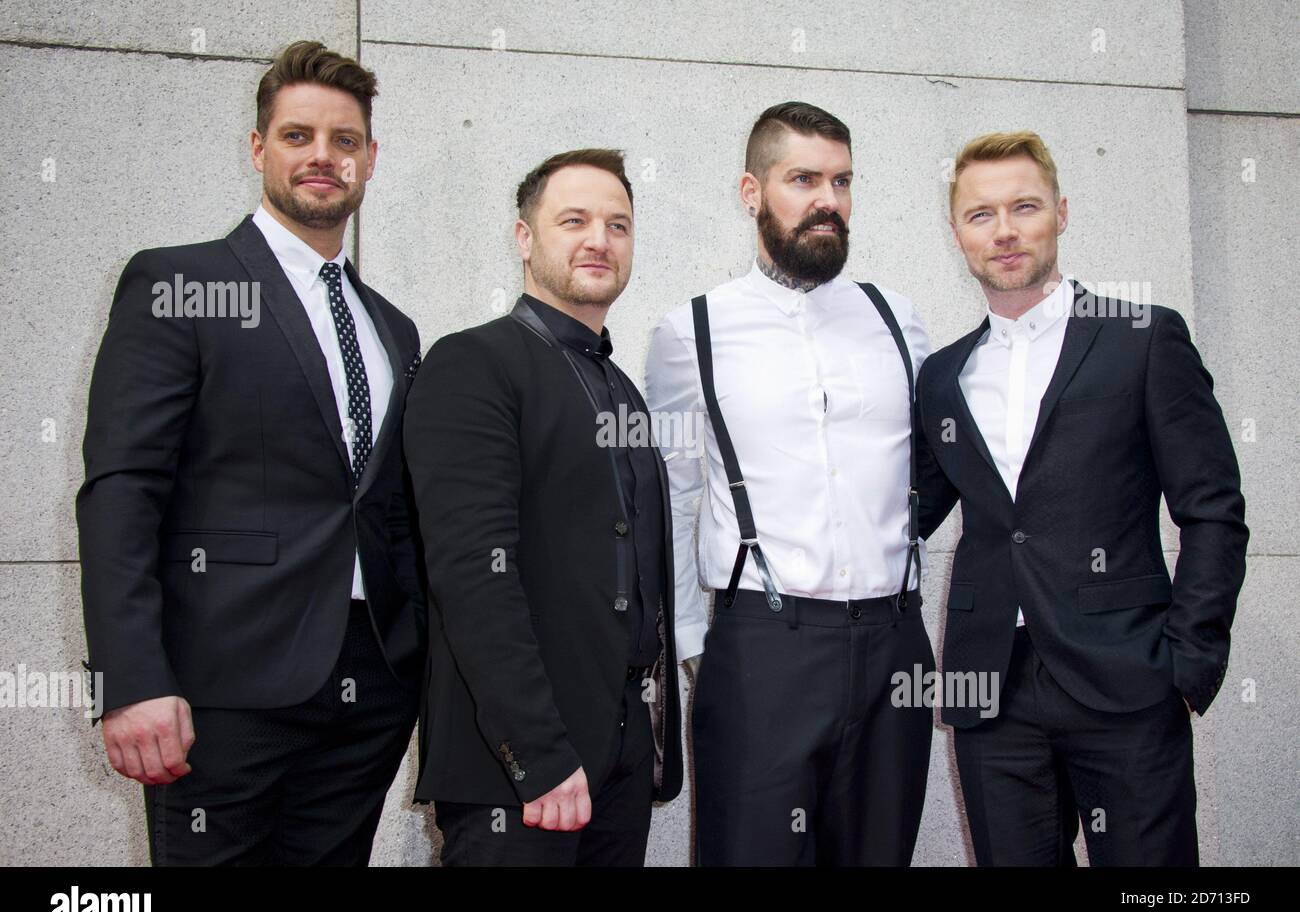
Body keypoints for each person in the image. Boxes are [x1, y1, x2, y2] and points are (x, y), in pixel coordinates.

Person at [76, 40, 425, 865]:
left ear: (370, 160)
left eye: (344, 141)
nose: (322, 157)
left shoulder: (393, 328)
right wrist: (129, 682)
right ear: (258, 146)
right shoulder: (179, 284)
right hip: (218, 690)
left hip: (368, 689)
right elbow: (122, 489)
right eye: (298, 135)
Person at [915, 130, 1248, 866]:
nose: (1004, 231)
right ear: (957, 233)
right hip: (991, 690)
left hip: (1127, 681)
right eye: (981, 214)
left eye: (1023, 206)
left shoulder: (1143, 340)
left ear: (1061, 213)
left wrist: (1186, 666)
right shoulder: (942, 376)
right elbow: (906, 510)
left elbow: (1214, 509)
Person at [646, 102, 937, 865]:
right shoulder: (690, 333)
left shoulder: (897, 319)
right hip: (761, 649)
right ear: (751, 191)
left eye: (842, 181)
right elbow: (673, 496)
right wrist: (691, 642)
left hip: (895, 643)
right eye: (803, 178)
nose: (828, 201)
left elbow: (928, 472)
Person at [405, 148, 682, 866]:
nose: (600, 239)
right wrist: (538, 755)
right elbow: (473, 578)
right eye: (575, 220)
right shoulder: (471, 364)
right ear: (525, 239)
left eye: (618, 225)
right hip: (521, 773)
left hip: (620, 759)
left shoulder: (622, 387)